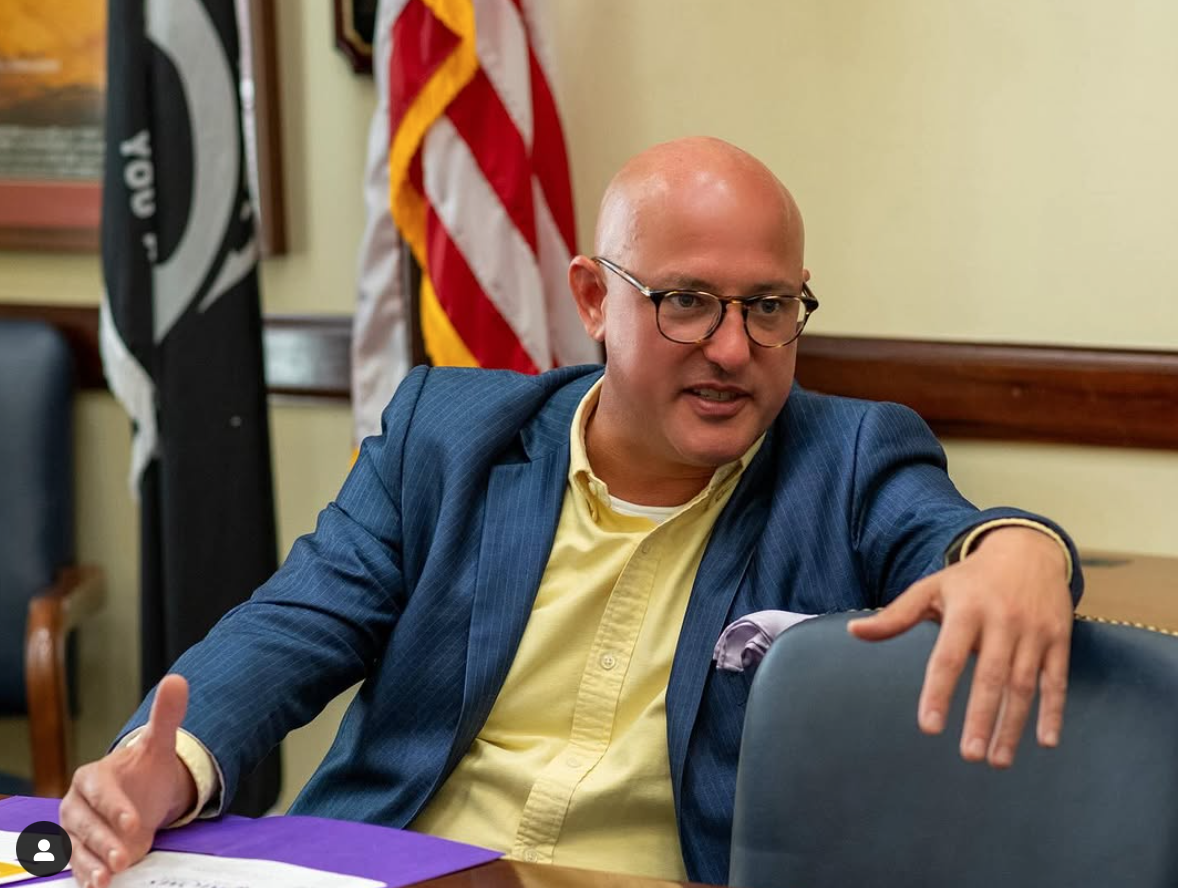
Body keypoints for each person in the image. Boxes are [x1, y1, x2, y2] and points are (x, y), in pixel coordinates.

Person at [61, 137, 1079, 887]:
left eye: (768, 306)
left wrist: (1019, 547)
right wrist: (170, 769)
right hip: (401, 868)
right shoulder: (448, 435)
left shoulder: (846, 457)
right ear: (593, 299)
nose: (732, 349)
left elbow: (949, 531)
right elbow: (295, 625)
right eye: (685, 301)